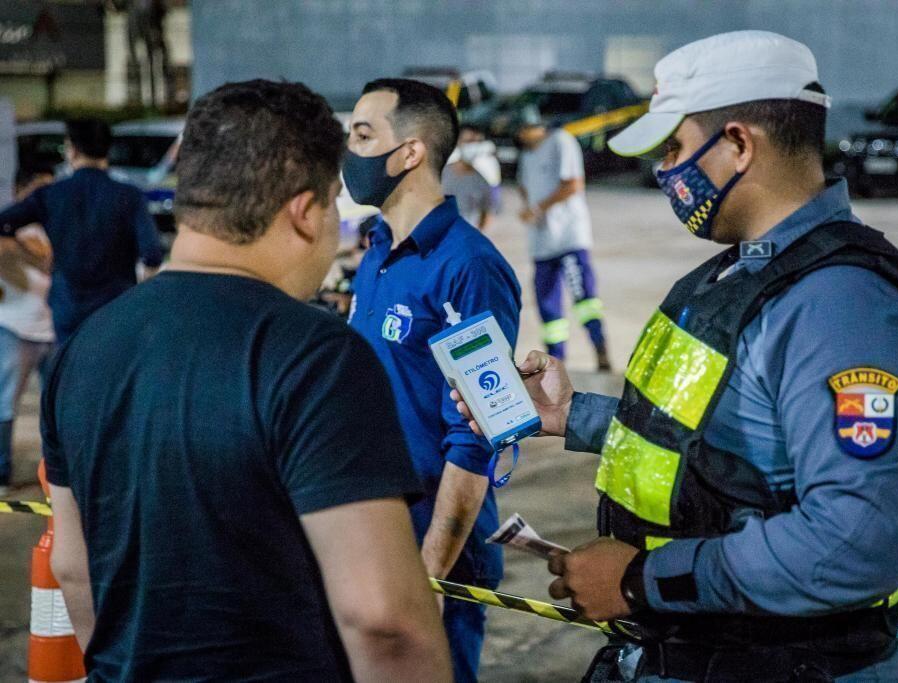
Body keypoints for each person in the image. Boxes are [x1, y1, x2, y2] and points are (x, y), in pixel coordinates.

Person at [454, 31, 898, 681]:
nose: (664, 170)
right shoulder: (737, 279)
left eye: (675, 147)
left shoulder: (842, 305)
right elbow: (726, 442)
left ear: (741, 143)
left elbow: (855, 544)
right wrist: (573, 413)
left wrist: (639, 580)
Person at [43, 79, 451, 681]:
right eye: (334, 201)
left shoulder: (82, 350)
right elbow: (383, 620)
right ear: (304, 212)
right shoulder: (317, 357)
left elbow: (75, 569)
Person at [345, 78, 521, 683]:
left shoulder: (469, 267)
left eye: (364, 135)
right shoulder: (374, 252)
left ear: (412, 152)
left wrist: (433, 572)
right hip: (372, 533)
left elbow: (480, 432)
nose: (351, 152)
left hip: (431, 553)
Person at [0, 119, 164, 343]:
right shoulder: (129, 196)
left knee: (69, 370)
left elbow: (4, 222)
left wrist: (24, 247)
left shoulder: (52, 194)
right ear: (107, 149)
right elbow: (152, 252)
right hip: (116, 306)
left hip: (68, 305)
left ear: (72, 150)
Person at [516, 117, 610, 371]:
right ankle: (556, 361)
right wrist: (528, 207)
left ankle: (600, 349)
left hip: (568, 237)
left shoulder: (561, 141)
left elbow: (573, 184)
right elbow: (523, 185)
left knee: (584, 299)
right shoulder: (527, 154)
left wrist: (537, 207)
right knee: (548, 306)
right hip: (541, 241)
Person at [0, 167, 55, 495]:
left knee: (57, 403)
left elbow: (48, 262)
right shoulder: (9, 229)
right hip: (13, 328)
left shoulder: (52, 226)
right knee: (5, 403)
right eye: (39, 188)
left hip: (51, 329)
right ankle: (2, 471)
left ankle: (56, 469)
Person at [442, 125, 495, 230]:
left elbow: (486, 215)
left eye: (478, 142)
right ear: (458, 142)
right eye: (469, 141)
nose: (473, 146)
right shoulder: (440, 175)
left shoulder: (482, 182)